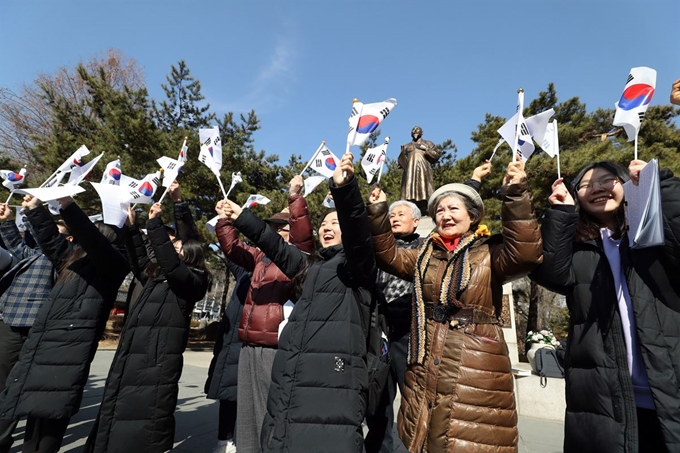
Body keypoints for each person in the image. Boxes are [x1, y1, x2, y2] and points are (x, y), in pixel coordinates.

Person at [366, 157, 542, 452]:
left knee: (470, 437)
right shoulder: (425, 252)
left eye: (453, 209)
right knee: (424, 435)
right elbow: (388, 255)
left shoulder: (489, 251)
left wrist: (516, 193)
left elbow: (525, 254)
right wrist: (377, 211)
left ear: (473, 216)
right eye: (439, 211)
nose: (445, 215)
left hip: (475, 363)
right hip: (426, 359)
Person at [218, 153, 376, 453]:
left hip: (335, 372)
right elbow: (274, 244)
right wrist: (241, 217)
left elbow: (358, 234)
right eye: (324, 223)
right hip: (297, 370)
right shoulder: (311, 266)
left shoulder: (360, 268)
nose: (327, 227)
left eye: (335, 222)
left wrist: (345, 191)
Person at [529, 159, 680, 452]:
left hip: (669, 390)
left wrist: (658, 183)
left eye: (606, 180)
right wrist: (562, 212)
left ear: (625, 183)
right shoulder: (580, 249)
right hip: (604, 398)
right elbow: (550, 272)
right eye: (585, 185)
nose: (597, 188)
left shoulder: (652, 235)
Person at [0, 195, 129, 453]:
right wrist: (36, 210)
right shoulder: (73, 261)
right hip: (43, 345)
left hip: (68, 351)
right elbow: (50, 240)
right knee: (31, 415)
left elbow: (94, 242)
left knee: (49, 420)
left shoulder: (114, 265)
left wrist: (69, 206)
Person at [84, 202, 210, 453]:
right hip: (133, 352)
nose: (171, 250)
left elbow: (170, 262)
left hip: (156, 360)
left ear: (190, 254)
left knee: (145, 418)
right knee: (117, 409)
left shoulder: (194, 280)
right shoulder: (158, 276)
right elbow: (140, 257)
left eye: (177, 248)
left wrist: (154, 224)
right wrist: (132, 226)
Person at [212, 175, 314, 453]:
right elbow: (232, 247)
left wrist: (294, 196)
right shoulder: (260, 257)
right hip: (248, 343)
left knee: (270, 412)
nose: (271, 232)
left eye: (278, 228)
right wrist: (224, 220)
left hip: (275, 346)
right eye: (270, 227)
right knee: (246, 411)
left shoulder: (300, 256)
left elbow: (303, 232)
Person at [0, 204, 58, 453]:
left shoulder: (58, 254)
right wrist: (8, 220)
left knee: (16, 387)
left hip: (35, 326)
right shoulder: (29, 252)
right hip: (8, 320)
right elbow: (16, 245)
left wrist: (34, 213)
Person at [204, 259, 249, 453]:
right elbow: (230, 249)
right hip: (234, 343)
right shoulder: (246, 271)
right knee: (230, 396)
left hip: (263, 344)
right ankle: (225, 440)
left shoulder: (287, 264)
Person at [398, 126, 441, 215]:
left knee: (424, 189)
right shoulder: (407, 146)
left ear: (422, 132)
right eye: (413, 129)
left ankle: (426, 208)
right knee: (409, 191)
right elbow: (401, 162)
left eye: (417, 129)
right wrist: (401, 155)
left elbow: (436, 156)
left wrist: (426, 149)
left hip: (424, 171)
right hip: (410, 173)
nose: (414, 131)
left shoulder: (428, 143)